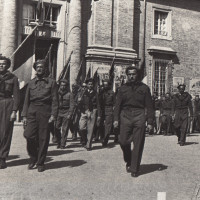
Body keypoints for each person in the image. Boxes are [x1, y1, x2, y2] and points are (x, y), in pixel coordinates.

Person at [113, 66, 154, 177]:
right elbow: (117, 105)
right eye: (129, 74)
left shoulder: (144, 88)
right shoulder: (122, 89)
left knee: (138, 142)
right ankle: (129, 159)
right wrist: (116, 119)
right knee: (123, 141)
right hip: (125, 115)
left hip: (139, 114)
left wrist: (150, 122)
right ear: (127, 75)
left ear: (138, 75)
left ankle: (134, 168)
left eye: (134, 74)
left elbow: (150, 106)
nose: (131, 76)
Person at [22, 59, 58, 172]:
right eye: (37, 67)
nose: (39, 68)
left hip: (45, 111)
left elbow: (55, 100)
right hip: (32, 111)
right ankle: (33, 157)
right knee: (28, 135)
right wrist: (24, 116)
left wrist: (53, 115)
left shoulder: (52, 82)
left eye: (41, 67)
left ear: (45, 68)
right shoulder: (31, 83)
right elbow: (26, 100)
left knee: (43, 138)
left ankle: (40, 162)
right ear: (35, 69)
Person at [0, 55, 20, 169]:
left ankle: (2, 157)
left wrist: (14, 111)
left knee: (5, 132)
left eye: (3, 64)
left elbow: (16, 96)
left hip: (7, 104)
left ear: (7, 65)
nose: (1, 65)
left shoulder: (13, 78)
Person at [78, 78, 101, 151]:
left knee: (90, 129)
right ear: (87, 85)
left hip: (93, 111)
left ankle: (89, 145)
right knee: (81, 127)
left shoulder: (95, 93)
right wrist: (83, 111)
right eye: (89, 84)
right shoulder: (83, 93)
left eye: (91, 84)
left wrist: (99, 115)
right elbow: (79, 103)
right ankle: (84, 140)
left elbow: (98, 104)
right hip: (84, 112)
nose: (90, 85)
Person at [55, 80, 75, 149]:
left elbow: (72, 105)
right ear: (60, 85)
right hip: (58, 112)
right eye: (61, 85)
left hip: (66, 112)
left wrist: (70, 114)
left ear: (66, 86)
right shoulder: (56, 94)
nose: (63, 87)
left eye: (64, 85)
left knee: (65, 129)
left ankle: (62, 144)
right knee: (56, 128)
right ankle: (59, 141)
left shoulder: (69, 94)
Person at [100, 79, 115, 147]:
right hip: (101, 109)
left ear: (109, 85)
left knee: (108, 126)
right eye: (104, 84)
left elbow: (115, 103)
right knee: (100, 125)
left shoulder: (112, 93)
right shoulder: (100, 92)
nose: (105, 86)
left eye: (106, 84)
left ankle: (105, 140)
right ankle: (101, 137)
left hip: (109, 109)